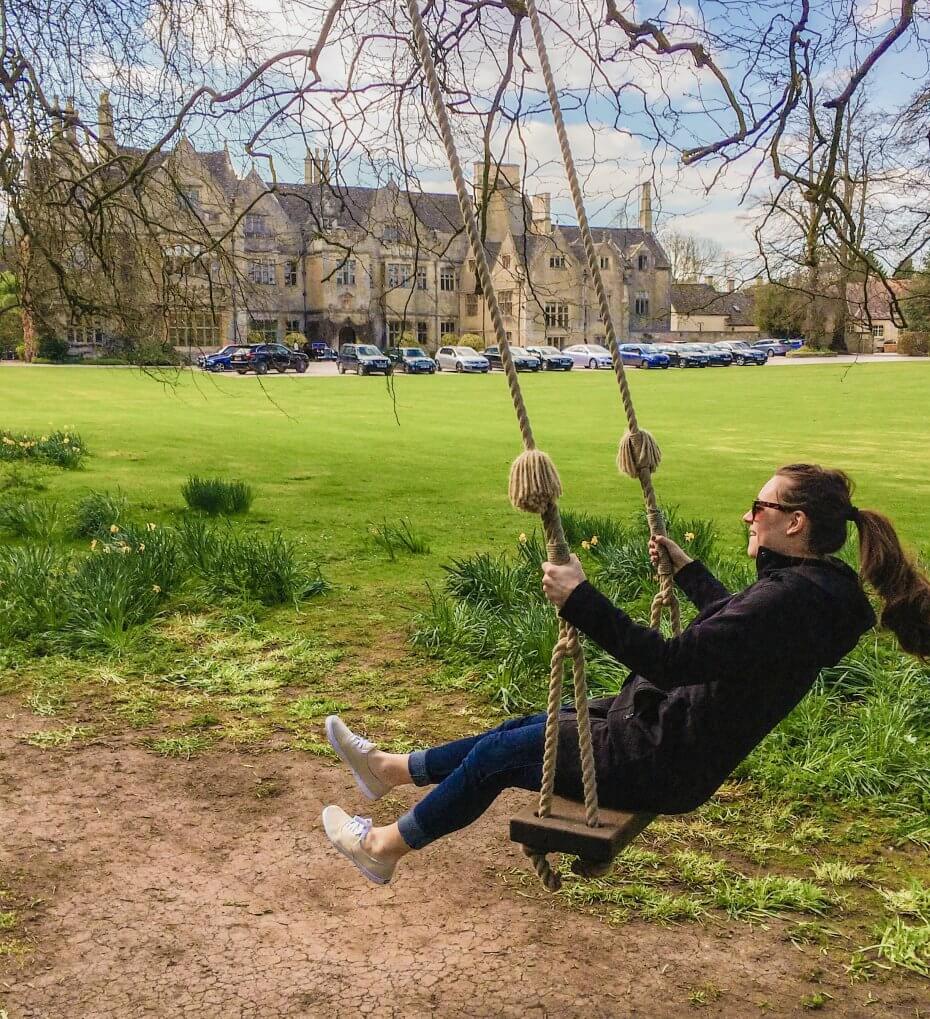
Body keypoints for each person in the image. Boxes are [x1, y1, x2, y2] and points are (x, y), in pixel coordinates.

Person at [322, 464, 930, 884]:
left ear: (794, 522)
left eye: (760, 506)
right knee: (522, 728)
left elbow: (671, 661)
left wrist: (580, 599)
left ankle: (382, 849)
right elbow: (736, 634)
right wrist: (691, 572)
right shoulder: (815, 591)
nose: (749, 516)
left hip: (657, 755)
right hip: (666, 736)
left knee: (501, 757)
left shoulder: (787, 601)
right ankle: (390, 770)